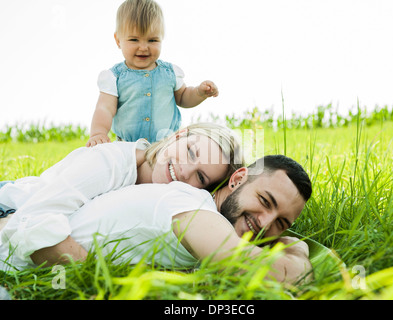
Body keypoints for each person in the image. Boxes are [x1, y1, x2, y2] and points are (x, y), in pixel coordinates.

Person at [1, 155, 313, 284]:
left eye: (281, 223)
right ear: (238, 179)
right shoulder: (192, 207)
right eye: (265, 202)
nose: (265, 223)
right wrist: (297, 249)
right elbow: (279, 274)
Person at [0, 122, 243, 263]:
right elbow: (31, 221)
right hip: (10, 203)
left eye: (201, 177)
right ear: (178, 136)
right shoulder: (110, 161)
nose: (184, 170)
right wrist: (104, 279)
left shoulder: (172, 204)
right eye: (190, 151)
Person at [87, 0, 218, 146]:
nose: (143, 47)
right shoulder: (114, 77)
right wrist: (98, 133)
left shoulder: (170, 73)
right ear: (118, 40)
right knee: (131, 169)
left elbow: (183, 97)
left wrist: (199, 93)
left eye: (152, 40)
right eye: (134, 39)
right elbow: (104, 108)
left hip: (166, 144)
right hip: (128, 146)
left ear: (161, 39)